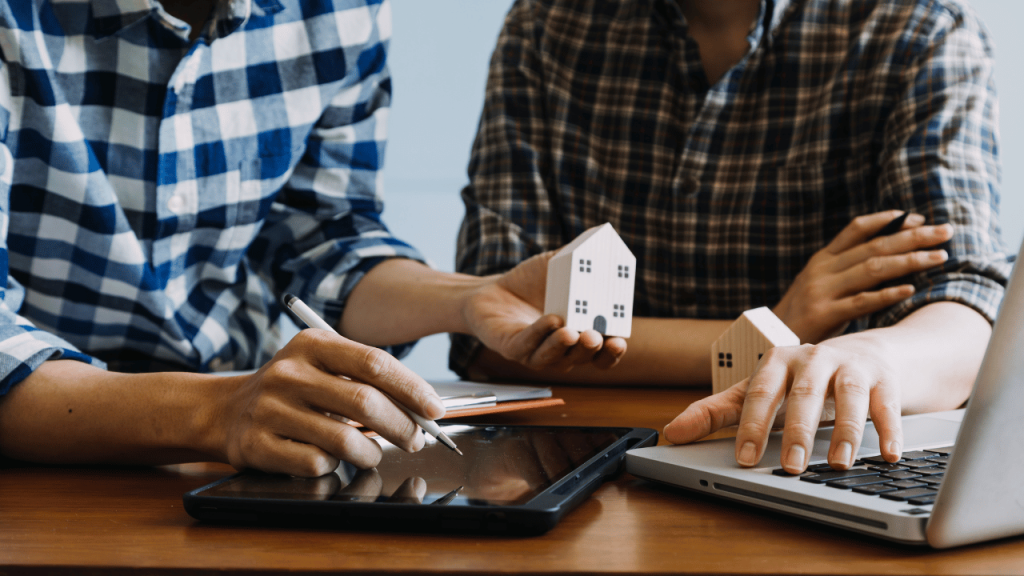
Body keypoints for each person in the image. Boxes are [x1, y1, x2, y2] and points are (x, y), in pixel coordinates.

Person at [0, 0, 622, 478]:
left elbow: (322, 234)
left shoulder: (337, 12)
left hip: (238, 441)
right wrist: (216, 410)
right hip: (41, 452)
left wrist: (467, 300)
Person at [452, 0, 1012, 473]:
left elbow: (966, 309)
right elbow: (497, 329)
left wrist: (874, 354)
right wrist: (780, 329)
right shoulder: (547, 23)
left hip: (814, 450)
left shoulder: (917, 29)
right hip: (589, 456)